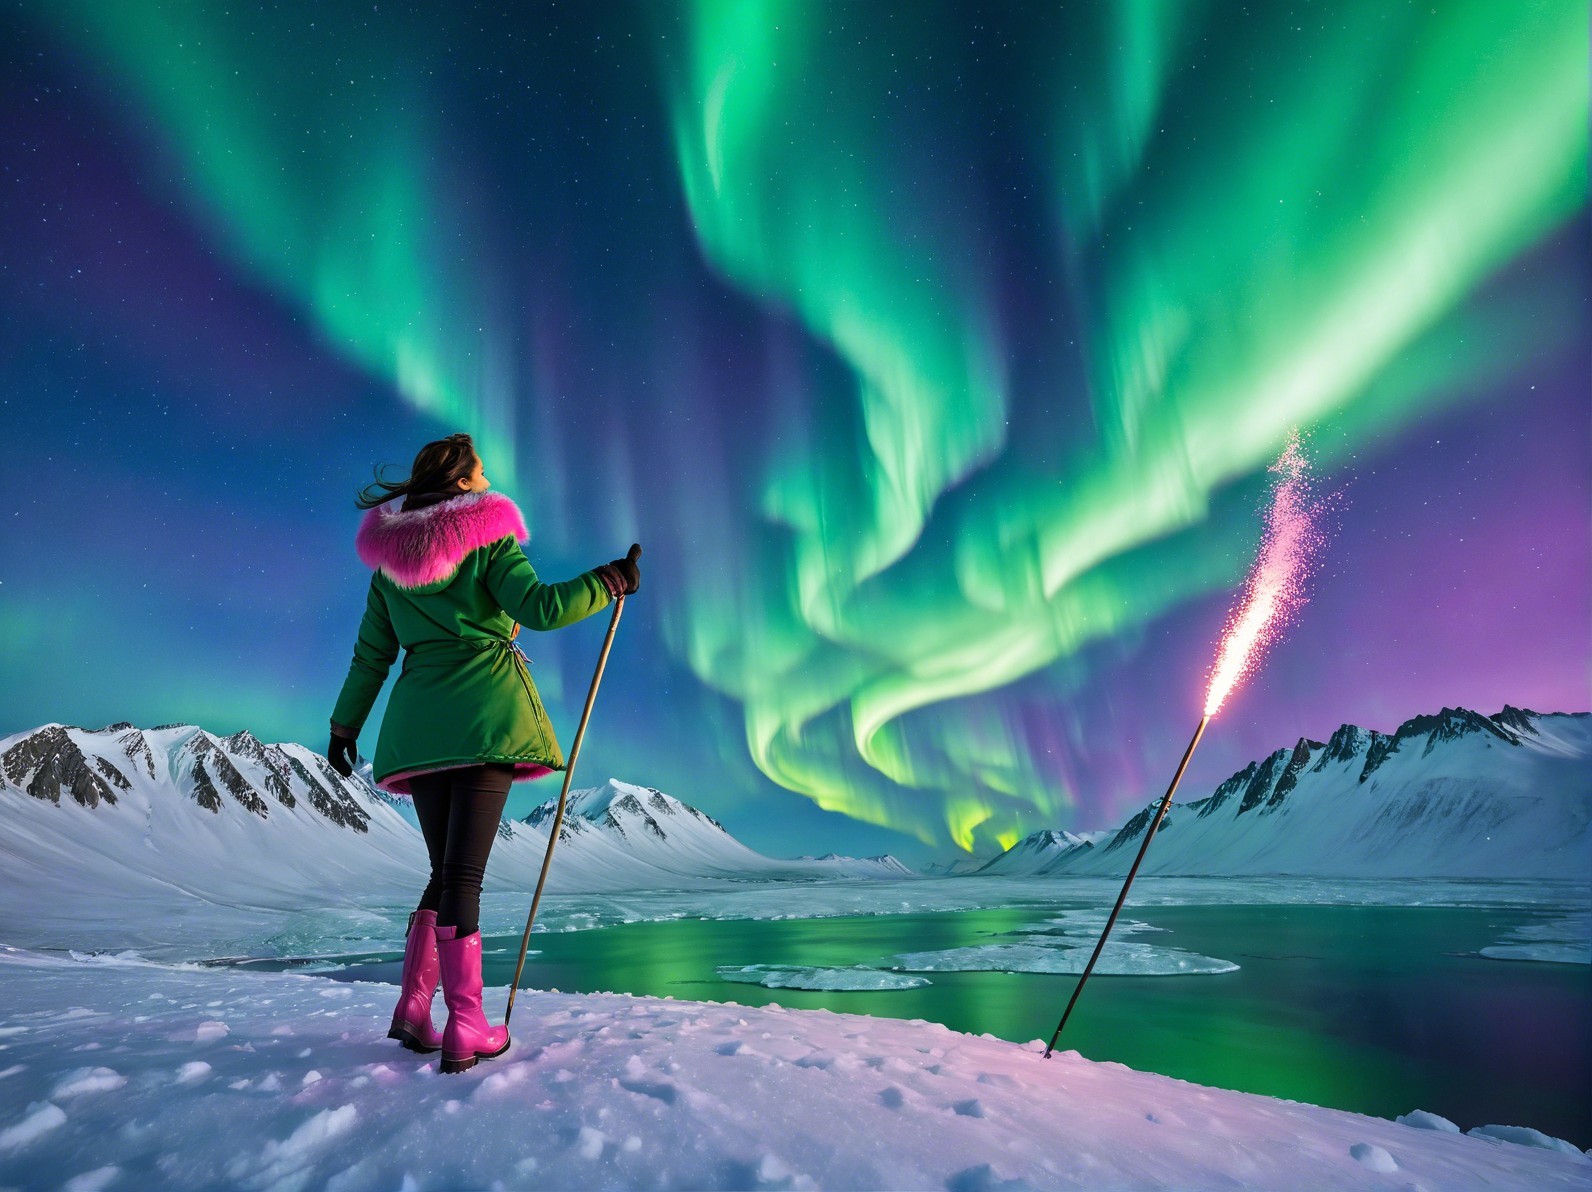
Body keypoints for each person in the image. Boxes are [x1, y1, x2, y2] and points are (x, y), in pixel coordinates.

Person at [324, 432, 640, 1073]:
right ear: (462, 482)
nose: (489, 480)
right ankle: (466, 1025)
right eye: (481, 472)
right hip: (485, 721)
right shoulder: (487, 537)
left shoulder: (389, 567)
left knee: (445, 873)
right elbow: (542, 608)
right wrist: (610, 580)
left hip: (418, 730)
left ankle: (416, 1006)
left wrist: (343, 727)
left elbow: (371, 657)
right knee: (463, 876)